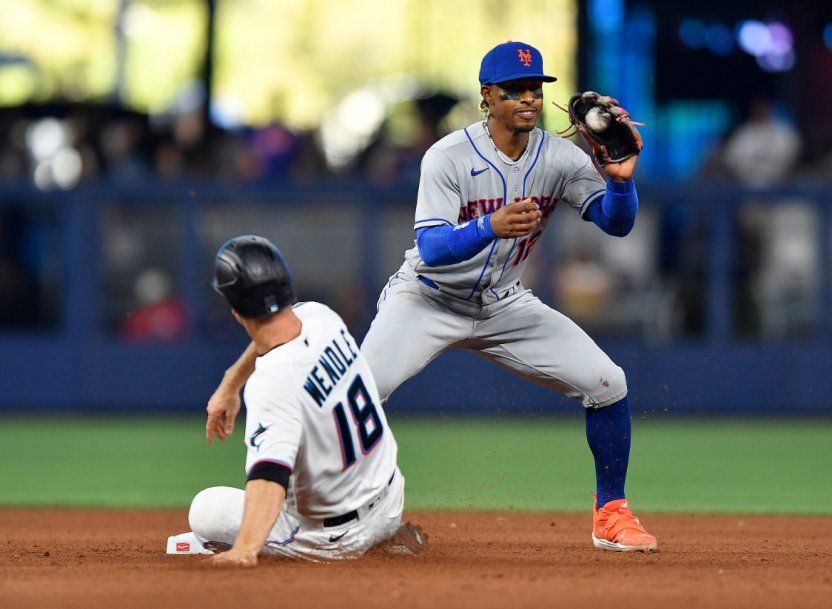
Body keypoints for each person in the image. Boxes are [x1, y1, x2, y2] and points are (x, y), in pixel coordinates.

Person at [206, 42, 657, 553]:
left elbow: (616, 224)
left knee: (608, 384)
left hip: (504, 303)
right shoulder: (448, 155)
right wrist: (491, 224)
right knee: (351, 400)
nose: (528, 99)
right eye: (514, 91)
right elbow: (432, 247)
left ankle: (611, 515)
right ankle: (297, 515)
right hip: (425, 299)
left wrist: (621, 183)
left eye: (535, 89)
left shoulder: (560, 157)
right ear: (487, 96)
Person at [168, 235, 424, 565]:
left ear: (234, 309)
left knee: (204, 510)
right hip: (390, 502)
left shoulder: (272, 382)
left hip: (334, 538)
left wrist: (245, 550)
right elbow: (273, 331)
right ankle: (386, 537)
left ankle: (269, 546)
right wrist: (230, 383)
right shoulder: (322, 317)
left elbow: (269, 476)